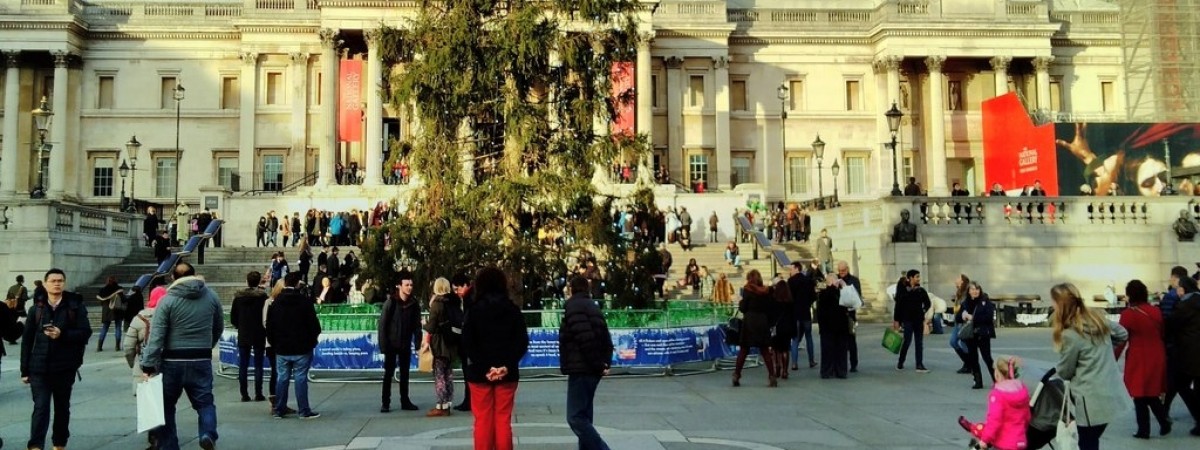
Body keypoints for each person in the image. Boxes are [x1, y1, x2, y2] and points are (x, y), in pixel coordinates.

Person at [140, 262, 223, 450]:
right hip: (201, 359)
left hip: (172, 360)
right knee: (205, 403)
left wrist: (148, 364)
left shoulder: (167, 300)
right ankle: (208, 433)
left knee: (166, 406)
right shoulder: (211, 296)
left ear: (173, 277)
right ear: (194, 274)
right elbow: (218, 326)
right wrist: (207, 346)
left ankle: (170, 446)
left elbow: (157, 336)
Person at [1049, 282, 1132, 450]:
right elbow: (1122, 333)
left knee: (1087, 442)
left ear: (1060, 305)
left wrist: (1100, 353)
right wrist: (1103, 351)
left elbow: (1065, 372)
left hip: (1089, 398)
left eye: (1054, 302)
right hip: (1109, 392)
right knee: (1091, 440)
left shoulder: (1070, 334)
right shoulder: (1097, 318)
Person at [20, 268, 91, 450]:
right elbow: (27, 341)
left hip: (64, 367)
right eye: (53, 281)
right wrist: (24, 370)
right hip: (39, 368)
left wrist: (62, 334)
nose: (57, 284)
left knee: (62, 408)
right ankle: (35, 445)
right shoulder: (36, 309)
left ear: (64, 283)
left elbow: (85, 333)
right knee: (41, 407)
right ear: (45, 284)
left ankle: (59, 444)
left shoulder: (75, 307)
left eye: (60, 280)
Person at [461, 267, 530, 450]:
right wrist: (506, 365)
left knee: (482, 420)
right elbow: (522, 342)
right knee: (503, 420)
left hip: (479, 373)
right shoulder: (513, 310)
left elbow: (468, 343)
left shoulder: (473, 311)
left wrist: (485, 367)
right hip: (507, 373)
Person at [559, 276, 614, 450]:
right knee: (584, 416)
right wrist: (605, 363)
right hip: (591, 367)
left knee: (575, 417)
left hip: (582, 367)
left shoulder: (574, 307)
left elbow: (585, 338)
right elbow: (605, 336)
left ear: (571, 289)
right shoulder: (592, 306)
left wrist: (598, 364)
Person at [1116, 280, 1171, 439]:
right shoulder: (1155, 311)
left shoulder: (1128, 314)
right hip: (1157, 354)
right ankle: (1163, 421)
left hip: (1139, 356)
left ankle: (1144, 430)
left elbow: (1121, 339)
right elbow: (1162, 332)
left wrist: (1113, 357)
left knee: (1139, 394)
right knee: (1151, 392)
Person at [265, 272, 321, 420]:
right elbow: (314, 326)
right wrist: (311, 341)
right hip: (301, 346)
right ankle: (303, 410)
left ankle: (279, 409)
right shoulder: (304, 302)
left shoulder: (275, 302)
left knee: (282, 378)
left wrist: (274, 343)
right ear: (298, 283)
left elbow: (269, 326)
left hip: (282, 347)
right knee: (300, 379)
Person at [958, 356, 1031, 450]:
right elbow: (1027, 417)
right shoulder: (1022, 391)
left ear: (997, 374)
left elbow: (994, 421)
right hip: (1020, 442)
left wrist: (985, 440)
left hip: (1003, 443)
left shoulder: (998, 394)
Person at [378, 271, 422, 413]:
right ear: (399, 286)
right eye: (406, 285)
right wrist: (383, 345)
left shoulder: (413, 304)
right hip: (391, 344)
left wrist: (418, 342)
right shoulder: (391, 302)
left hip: (405, 343)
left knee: (405, 374)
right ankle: (385, 402)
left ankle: (405, 400)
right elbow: (383, 325)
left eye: (411, 285)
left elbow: (417, 325)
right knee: (388, 374)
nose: (409, 287)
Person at [1165, 276, 1200, 436]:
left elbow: (1171, 324)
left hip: (1189, 352)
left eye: (1178, 287)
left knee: (1180, 384)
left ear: (1183, 289)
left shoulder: (1184, 306)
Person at [421, 278, 461, 417]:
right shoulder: (454, 302)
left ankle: (441, 405)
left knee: (439, 375)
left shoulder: (437, 304)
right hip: (452, 343)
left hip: (440, 344)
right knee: (448, 374)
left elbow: (432, 327)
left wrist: (424, 323)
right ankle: (448, 402)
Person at [732, 269, 777, 387]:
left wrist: (740, 301)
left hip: (750, 321)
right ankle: (772, 376)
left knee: (744, 349)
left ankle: (736, 375)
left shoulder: (747, 290)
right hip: (762, 321)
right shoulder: (766, 291)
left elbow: (743, 308)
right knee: (765, 350)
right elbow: (770, 307)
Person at [231, 271, 269, 403]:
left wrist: (239, 326)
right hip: (259, 332)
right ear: (259, 282)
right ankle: (259, 393)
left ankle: (244, 394)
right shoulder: (263, 298)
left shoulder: (238, 298)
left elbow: (233, 317)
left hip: (244, 332)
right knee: (258, 364)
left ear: (247, 281)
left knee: (243, 364)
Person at [893, 270, 930, 373]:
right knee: (907, 341)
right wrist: (896, 320)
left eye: (919, 276)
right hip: (907, 320)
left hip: (918, 320)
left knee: (919, 342)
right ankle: (900, 362)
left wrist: (923, 311)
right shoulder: (903, 290)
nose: (919, 279)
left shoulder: (921, 290)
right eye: (917, 277)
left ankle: (919, 365)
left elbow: (928, 303)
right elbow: (898, 305)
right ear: (910, 278)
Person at [961, 281, 997, 389]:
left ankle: (997, 380)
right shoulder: (965, 302)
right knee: (973, 358)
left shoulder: (985, 301)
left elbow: (988, 317)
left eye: (977, 289)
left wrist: (973, 318)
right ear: (968, 291)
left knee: (987, 358)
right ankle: (977, 380)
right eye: (972, 289)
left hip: (983, 333)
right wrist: (963, 315)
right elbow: (958, 317)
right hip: (970, 334)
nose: (975, 291)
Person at [816, 275, 851, 379]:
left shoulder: (841, 291)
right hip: (829, 326)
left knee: (840, 350)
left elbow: (851, 301)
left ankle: (839, 370)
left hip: (839, 326)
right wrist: (832, 287)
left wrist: (845, 286)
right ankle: (829, 370)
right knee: (829, 350)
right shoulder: (824, 293)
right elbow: (824, 303)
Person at [450, 273, 474, 412]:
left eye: (457, 288)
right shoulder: (467, 298)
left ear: (465, 285)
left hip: (469, 341)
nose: (456, 292)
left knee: (468, 371)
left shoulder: (470, 299)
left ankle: (469, 400)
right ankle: (468, 399)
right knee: (468, 371)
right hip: (466, 340)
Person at [788, 262, 818, 370]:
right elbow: (814, 296)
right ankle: (811, 361)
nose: (790, 271)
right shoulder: (808, 280)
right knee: (809, 337)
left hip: (795, 313)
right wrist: (808, 303)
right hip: (805, 312)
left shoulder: (791, 281)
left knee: (795, 339)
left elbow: (789, 297)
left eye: (791, 269)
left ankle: (794, 363)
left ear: (797, 268)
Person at [835, 261, 861, 372]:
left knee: (851, 341)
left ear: (848, 269)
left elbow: (857, 296)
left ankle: (854, 364)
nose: (841, 273)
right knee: (839, 341)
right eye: (840, 271)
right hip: (838, 314)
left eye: (843, 270)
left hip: (850, 315)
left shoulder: (854, 280)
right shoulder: (835, 279)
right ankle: (841, 364)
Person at [770, 279, 796, 379]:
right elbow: (793, 317)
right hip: (787, 328)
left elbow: (771, 316)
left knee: (775, 349)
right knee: (785, 349)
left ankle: (777, 367)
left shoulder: (774, 301)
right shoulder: (790, 302)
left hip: (776, 328)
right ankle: (785, 371)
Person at [95, 276, 125, 352]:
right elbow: (123, 300)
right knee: (118, 327)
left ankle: (99, 347)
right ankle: (117, 346)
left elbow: (101, 301)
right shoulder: (119, 289)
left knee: (105, 327)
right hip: (117, 310)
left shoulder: (103, 290)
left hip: (106, 310)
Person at [949, 274, 972, 374]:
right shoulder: (959, 292)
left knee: (962, 342)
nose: (956, 279)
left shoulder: (966, 292)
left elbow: (964, 306)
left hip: (963, 322)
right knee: (954, 342)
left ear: (962, 281)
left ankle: (969, 364)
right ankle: (967, 363)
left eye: (958, 278)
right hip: (957, 321)